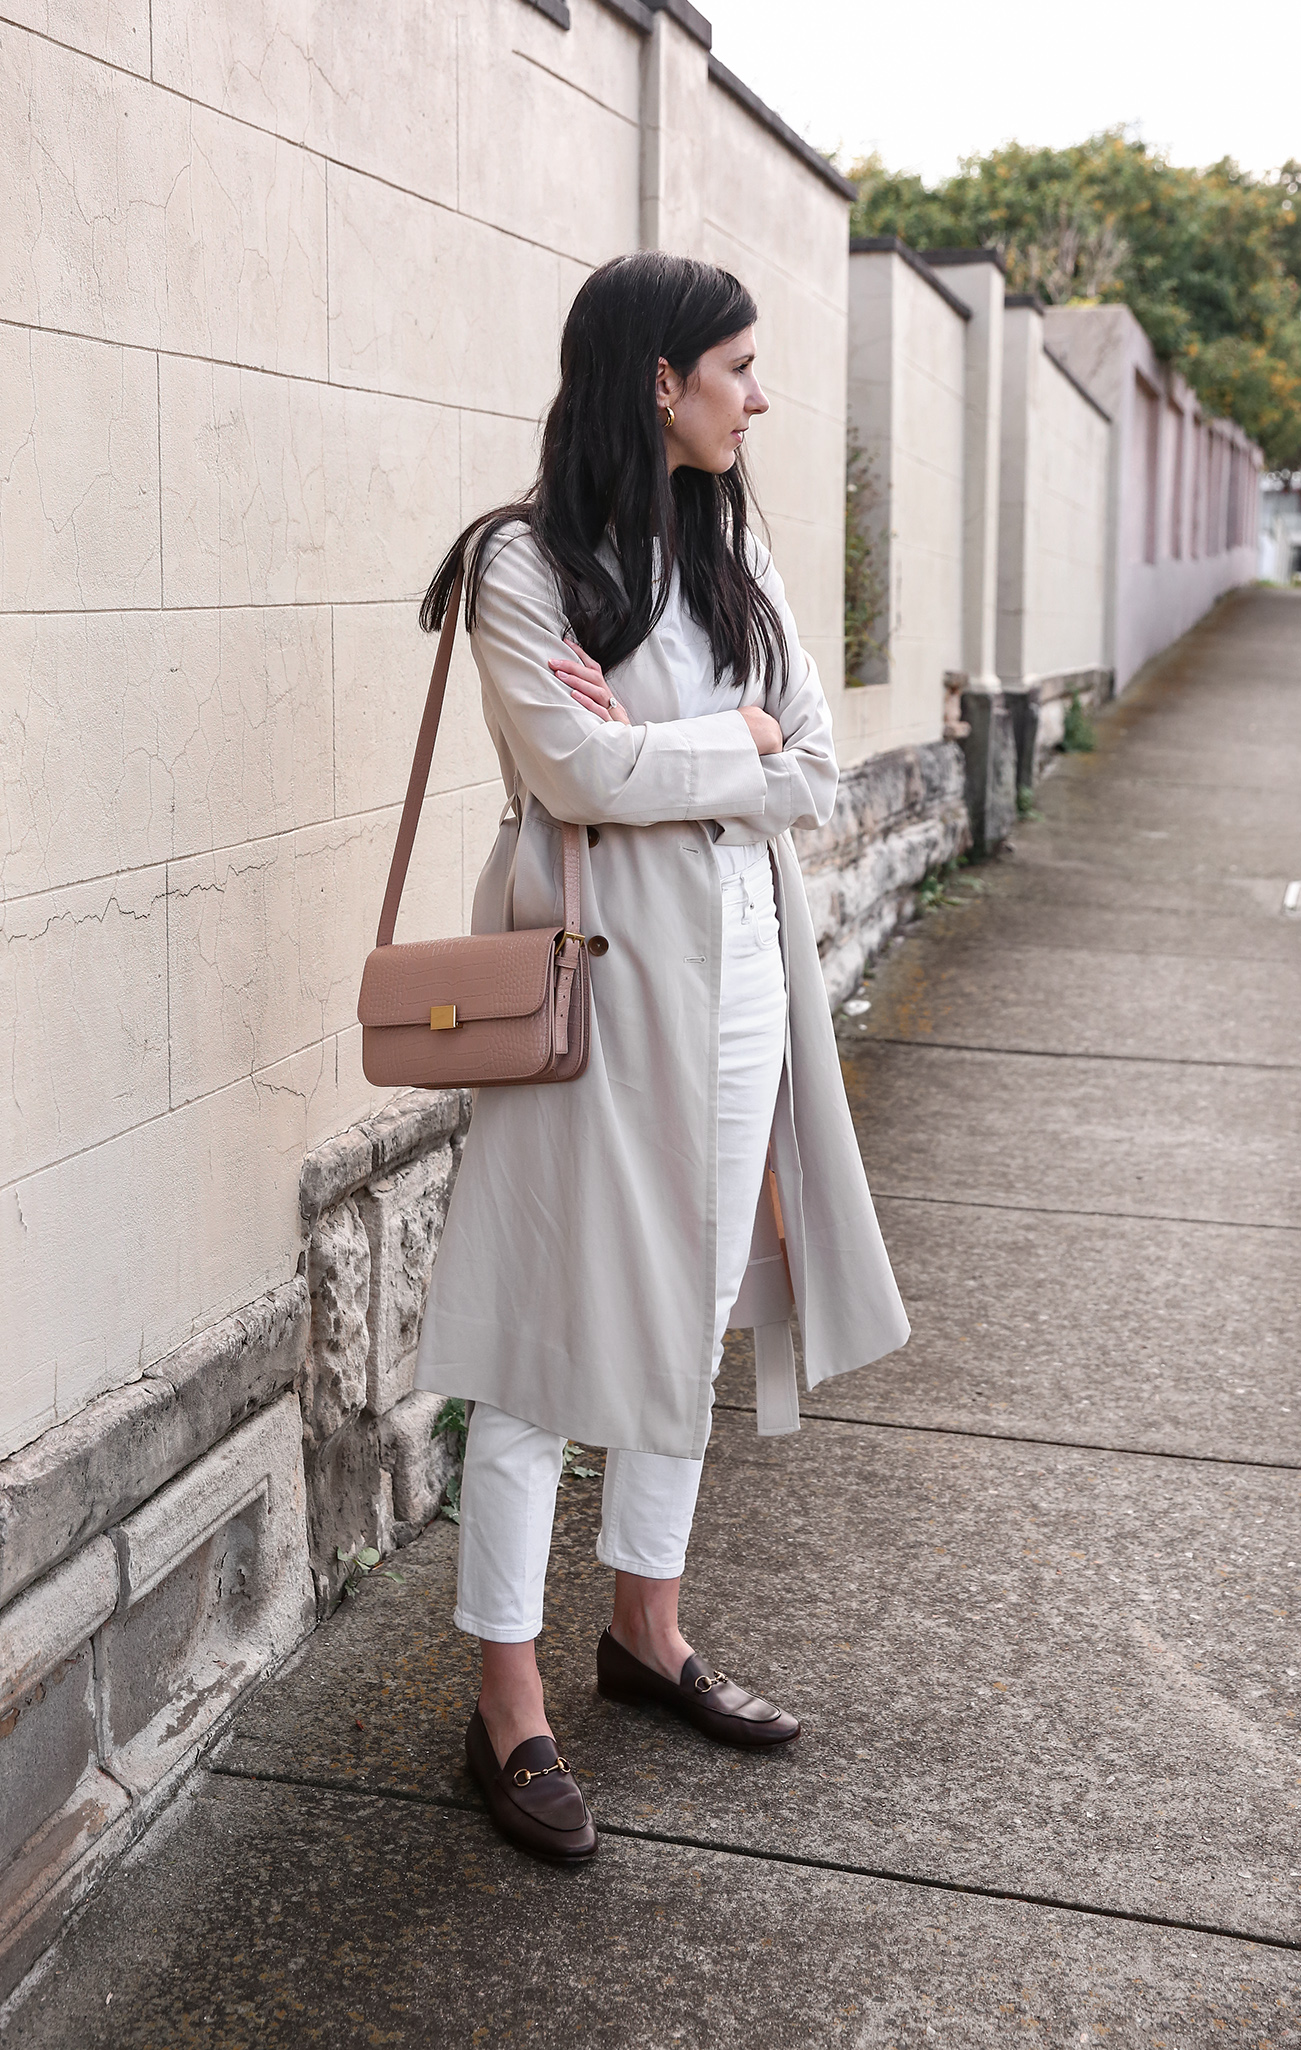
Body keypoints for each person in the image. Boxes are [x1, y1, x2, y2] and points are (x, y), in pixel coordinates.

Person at [412, 253, 909, 1865]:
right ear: (658, 380)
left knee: (690, 1308)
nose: (760, 398)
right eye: (740, 368)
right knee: (547, 1342)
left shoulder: (725, 542)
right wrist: (729, 749)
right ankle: (509, 1698)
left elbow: (808, 760)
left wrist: (704, 760)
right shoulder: (520, 567)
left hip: (743, 989)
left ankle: (645, 1625)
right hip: (595, 995)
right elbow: (575, 763)